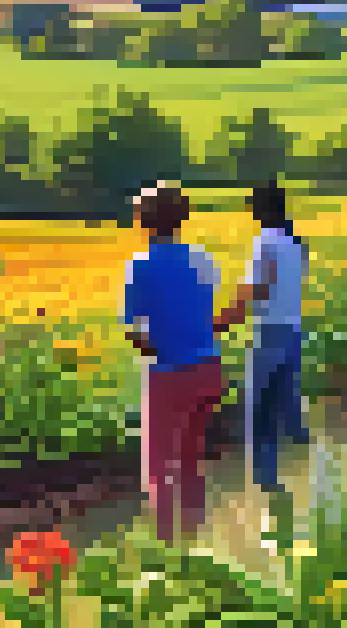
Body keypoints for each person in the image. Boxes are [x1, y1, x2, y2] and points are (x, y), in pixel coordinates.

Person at [122, 181, 227, 545]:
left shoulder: (139, 264)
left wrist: (153, 354)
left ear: (143, 222)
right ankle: (194, 541)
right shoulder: (203, 258)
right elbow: (204, 313)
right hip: (209, 368)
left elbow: (133, 331)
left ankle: (167, 551)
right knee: (189, 462)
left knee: (158, 468)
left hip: (169, 372)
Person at [215, 178, 313, 494]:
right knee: (287, 404)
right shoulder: (295, 242)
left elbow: (258, 289)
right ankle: (317, 465)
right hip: (293, 330)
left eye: (253, 204)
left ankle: (266, 480)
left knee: (260, 409)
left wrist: (220, 322)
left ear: (261, 207)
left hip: (269, 331)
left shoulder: (265, 242)